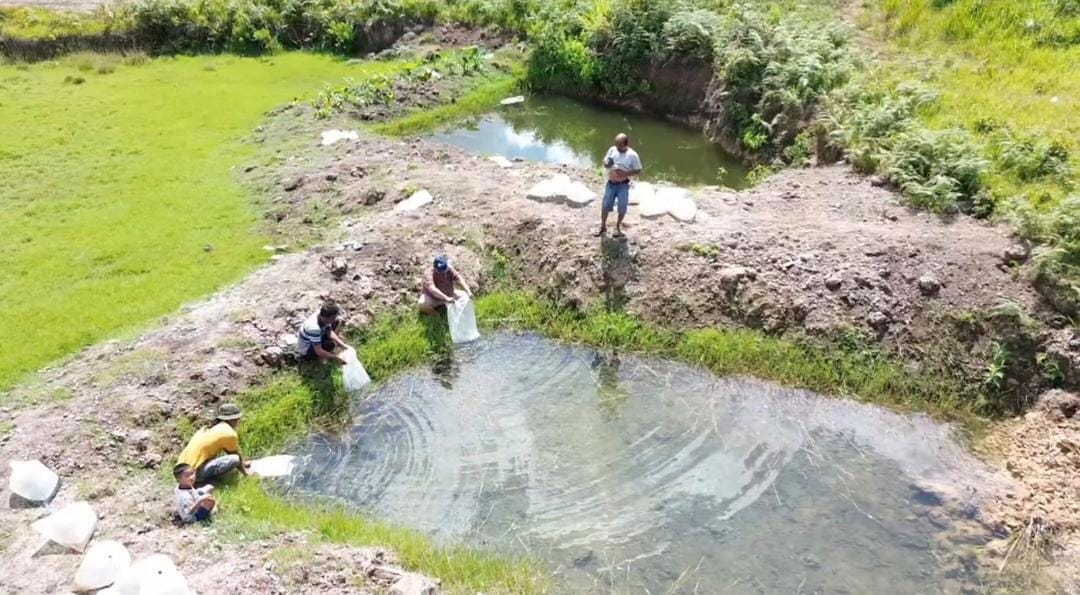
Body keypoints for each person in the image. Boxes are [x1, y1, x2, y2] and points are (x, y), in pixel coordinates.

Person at [176, 403, 250, 485]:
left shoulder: (207, 428)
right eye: (237, 419)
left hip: (180, 471)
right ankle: (200, 480)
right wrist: (246, 474)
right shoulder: (228, 433)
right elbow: (235, 454)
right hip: (193, 474)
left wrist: (244, 463)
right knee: (234, 459)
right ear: (233, 419)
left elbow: (228, 449)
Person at [596, 133, 643, 238]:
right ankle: (603, 226)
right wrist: (607, 163)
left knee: (622, 207)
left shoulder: (632, 155)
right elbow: (605, 161)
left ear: (626, 144)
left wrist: (625, 173)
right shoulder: (612, 149)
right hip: (611, 183)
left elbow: (639, 170)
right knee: (605, 205)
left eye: (619, 146)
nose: (617, 147)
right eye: (616, 144)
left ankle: (617, 227)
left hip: (623, 185)